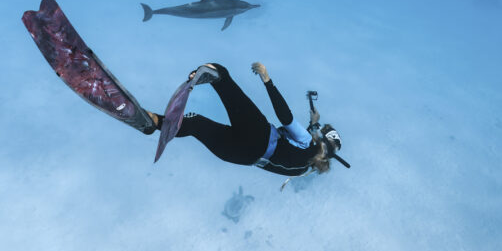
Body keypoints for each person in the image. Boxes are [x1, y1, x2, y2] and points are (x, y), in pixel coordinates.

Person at [145, 61, 349, 185]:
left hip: (259, 134)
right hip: (241, 156)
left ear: (321, 140)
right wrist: (314, 125)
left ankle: (207, 75)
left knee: (221, 75)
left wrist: (267, 80)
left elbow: (285, 118)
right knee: (195, 124)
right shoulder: (303, 168)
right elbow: (300, 146)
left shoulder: (306, 141)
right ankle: (152, 122)